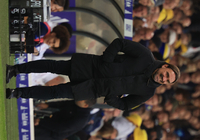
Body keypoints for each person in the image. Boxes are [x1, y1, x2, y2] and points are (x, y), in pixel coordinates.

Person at [6, 38, 180, 110]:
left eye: (166, 81)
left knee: (54, 93)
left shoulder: (148, 92)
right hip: (91, 66)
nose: (163, 79)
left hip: (93, 89)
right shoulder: (146, 55)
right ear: (165, 66)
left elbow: (126, 105)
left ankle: (17, 93)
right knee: (53, 66)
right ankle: (15, 70)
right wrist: (106, 61)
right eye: (166, 74)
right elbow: (120, 43)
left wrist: (111, 97)